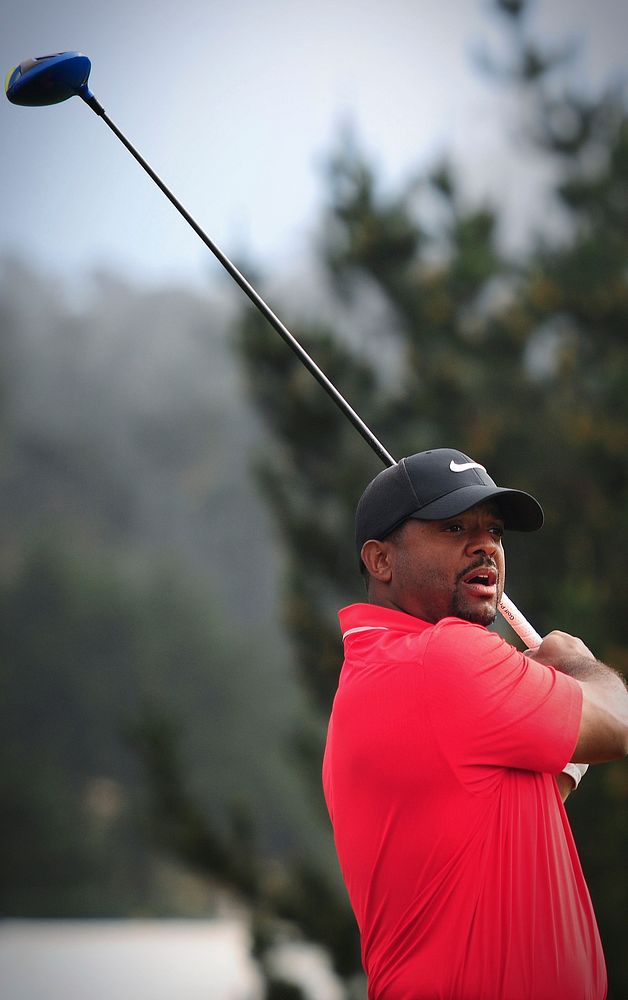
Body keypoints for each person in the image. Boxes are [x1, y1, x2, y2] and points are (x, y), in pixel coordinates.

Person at [322, 448, 628, 1000]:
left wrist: (540, 693)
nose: (484, 544)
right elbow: (620, 724)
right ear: (380, 561)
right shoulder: (445, 658)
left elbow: (517, 802)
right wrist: (575, 661)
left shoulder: (382, 670)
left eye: (494, 531)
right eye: (454, 527)